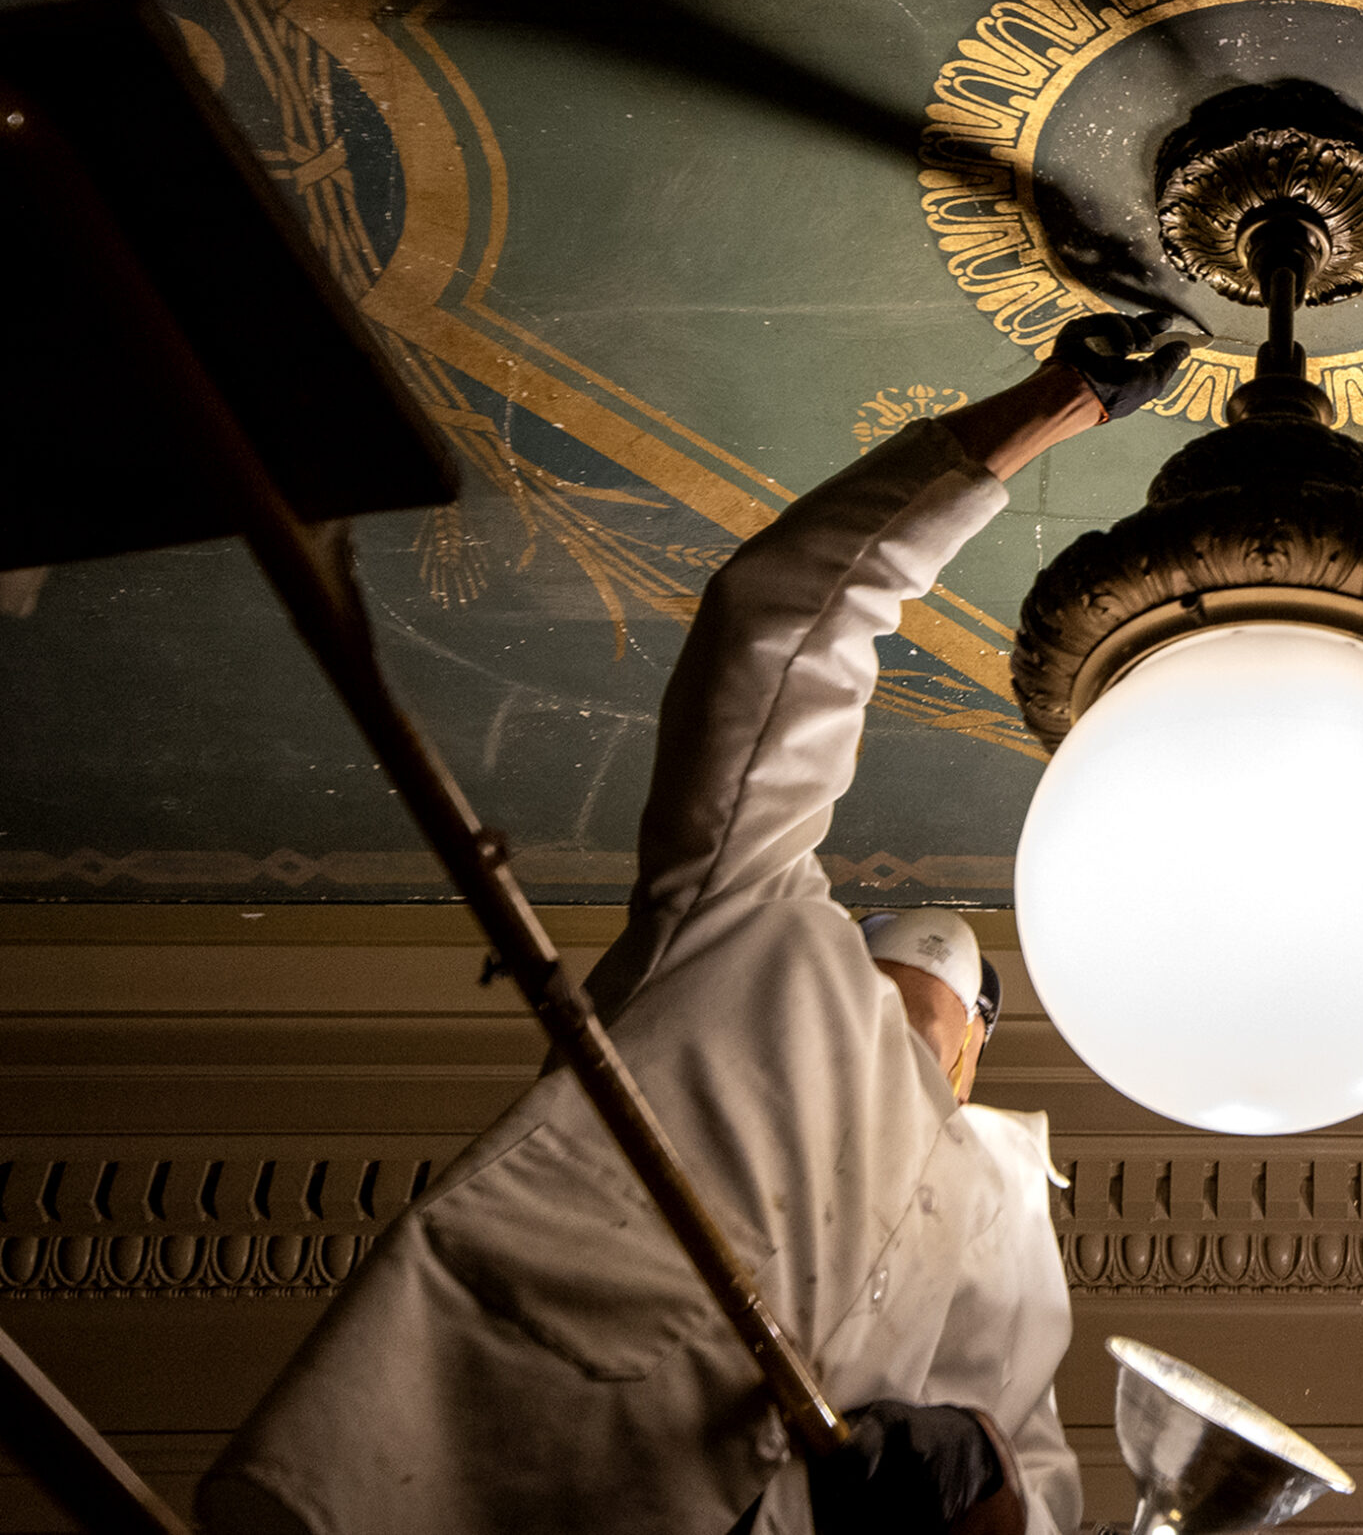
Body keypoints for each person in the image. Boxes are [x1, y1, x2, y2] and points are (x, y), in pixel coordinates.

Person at [198, 315, 1189, 1535]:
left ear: (985, 1038)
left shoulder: (1002, 1214)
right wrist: (1050, 404)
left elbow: (1025, 1483)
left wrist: (982, 1478)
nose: (913, 1000)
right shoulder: (751, 931)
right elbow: (781, 628)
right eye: (890, 968)